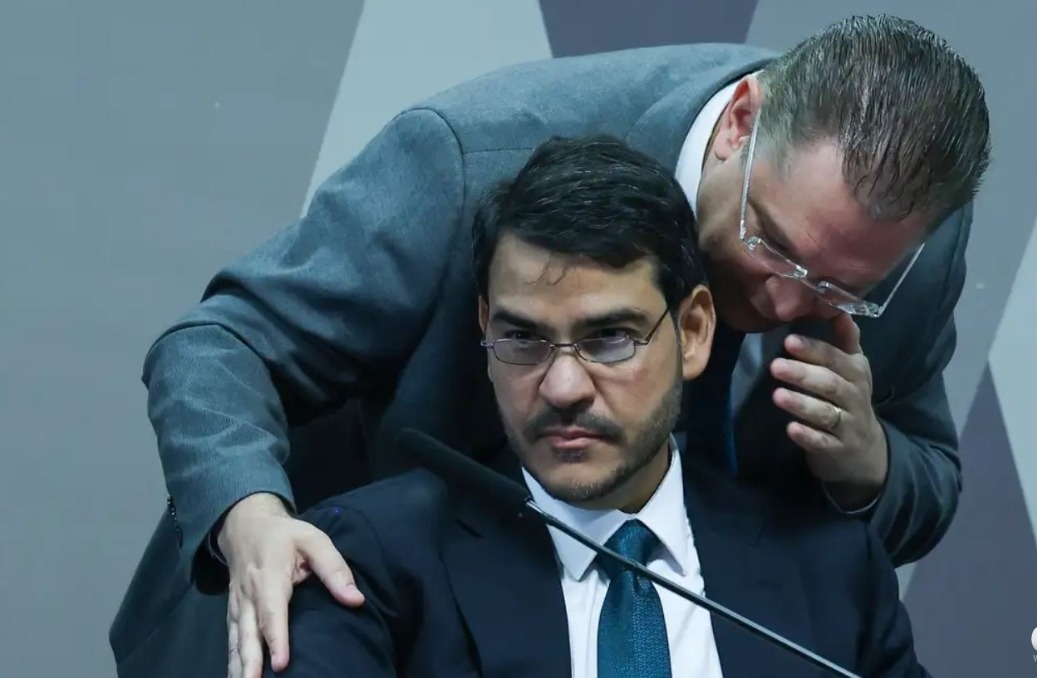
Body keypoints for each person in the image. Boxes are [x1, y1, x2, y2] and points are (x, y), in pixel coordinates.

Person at [109, 14, 989, 678]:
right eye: (774, 245)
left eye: (837, 287)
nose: (788, 302)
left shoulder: (902, 250)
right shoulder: (469, 161)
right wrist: (252, 520)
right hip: (341, 612)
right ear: (739, 125)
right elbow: (220, 345)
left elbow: (927, 478)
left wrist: (868, 468)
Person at [262, 135, 929, 678]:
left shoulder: (831, 571)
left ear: (693, 332)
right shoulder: (372, 558)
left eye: (609, 338)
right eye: (523, 339)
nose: (562, 388)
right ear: (486, 330)